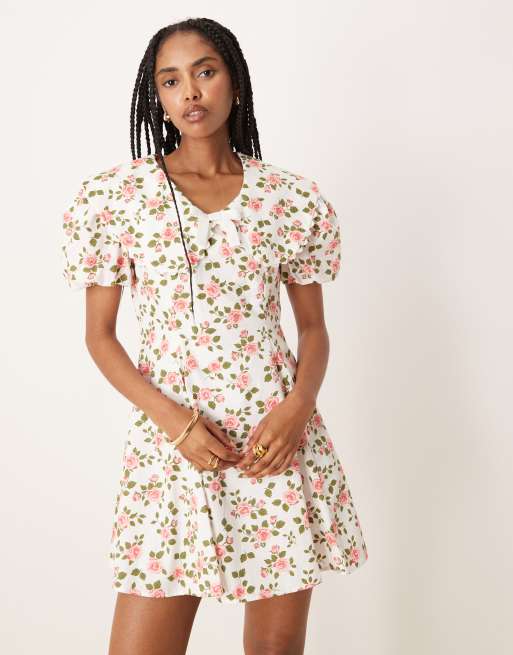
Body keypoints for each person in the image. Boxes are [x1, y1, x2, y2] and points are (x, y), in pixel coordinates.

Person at [61, 17, 368, 655]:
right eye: (171, 81)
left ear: (234, 79)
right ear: (156, 96)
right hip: (173, 449)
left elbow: (313, 327)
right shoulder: (117, 199)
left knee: (276, 648)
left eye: (205, 72)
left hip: (273, 445)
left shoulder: (290, 199)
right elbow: (100, 338)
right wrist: (174, 422)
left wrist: (297, 409)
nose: (191, 93)